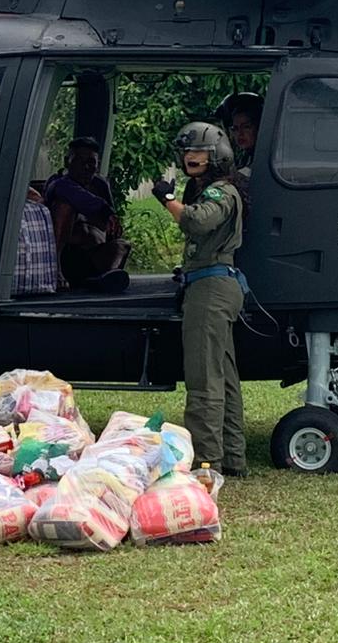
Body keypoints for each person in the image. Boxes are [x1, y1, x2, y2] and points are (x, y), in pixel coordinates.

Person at [151, 121, 248, 477]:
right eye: (187, 151)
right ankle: (232, 458)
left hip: (211, 290)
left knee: (204, 377)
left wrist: (167, 200)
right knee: (224, 377)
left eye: (199, 152)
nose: (191, 157)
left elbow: (196, 222)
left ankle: (207, 462)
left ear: (216, 156)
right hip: (213, 286)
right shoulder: (212, 189)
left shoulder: (221, 193)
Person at [42, 136, 131, 293]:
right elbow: (70, 191)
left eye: (91, 162)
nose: (86, 167)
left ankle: (105, 277)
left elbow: (111, 227)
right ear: (67, 162)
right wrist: (104, 210)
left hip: (94, 256)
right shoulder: (57, 183)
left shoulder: (100, 185)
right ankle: (55, 270)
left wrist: (109, 223)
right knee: (64, 206)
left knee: (122, 245)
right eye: (79, 161)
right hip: (67, 256)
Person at [215, 92, 263, 176]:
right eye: (235, 128)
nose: (240, 133)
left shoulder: (267, 156)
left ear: (259, 127)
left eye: (246, 127)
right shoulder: (244, 157)